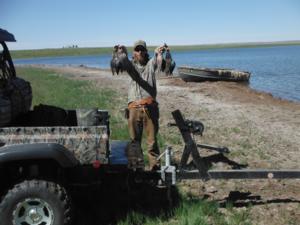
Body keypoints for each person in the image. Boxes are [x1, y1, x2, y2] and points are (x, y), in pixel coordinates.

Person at [115, 40, 174, 171]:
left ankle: (155, 171)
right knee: (134, 143)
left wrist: (158, 53)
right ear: (133, 53)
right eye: (137, 50)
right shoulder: (130, 65)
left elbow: (157, 62)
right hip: (133, 109)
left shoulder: (151, 64)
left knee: (152, 143)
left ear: (146, 51)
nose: (140, 52)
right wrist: (121, 53)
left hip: (150, 109)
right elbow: (124, 62)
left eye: (142, 49)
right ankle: (136, 171)